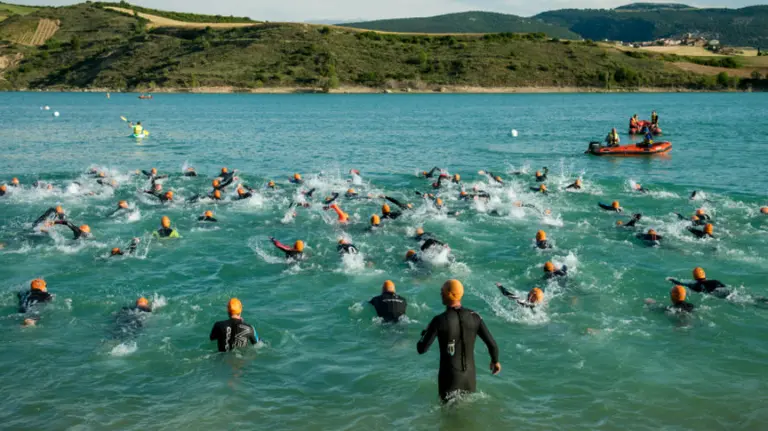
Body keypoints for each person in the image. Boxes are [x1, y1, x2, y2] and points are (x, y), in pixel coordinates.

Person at [417, 279, 500, 402]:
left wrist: (425, 331)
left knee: (448, 416)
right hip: (470, 378)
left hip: (449, 378)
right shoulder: (475, 316)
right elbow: (492, 344)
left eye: (442, 291)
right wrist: (495, 361)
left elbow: (422, 349)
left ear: (448, 294)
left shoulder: (439, 320)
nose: (440, 293)